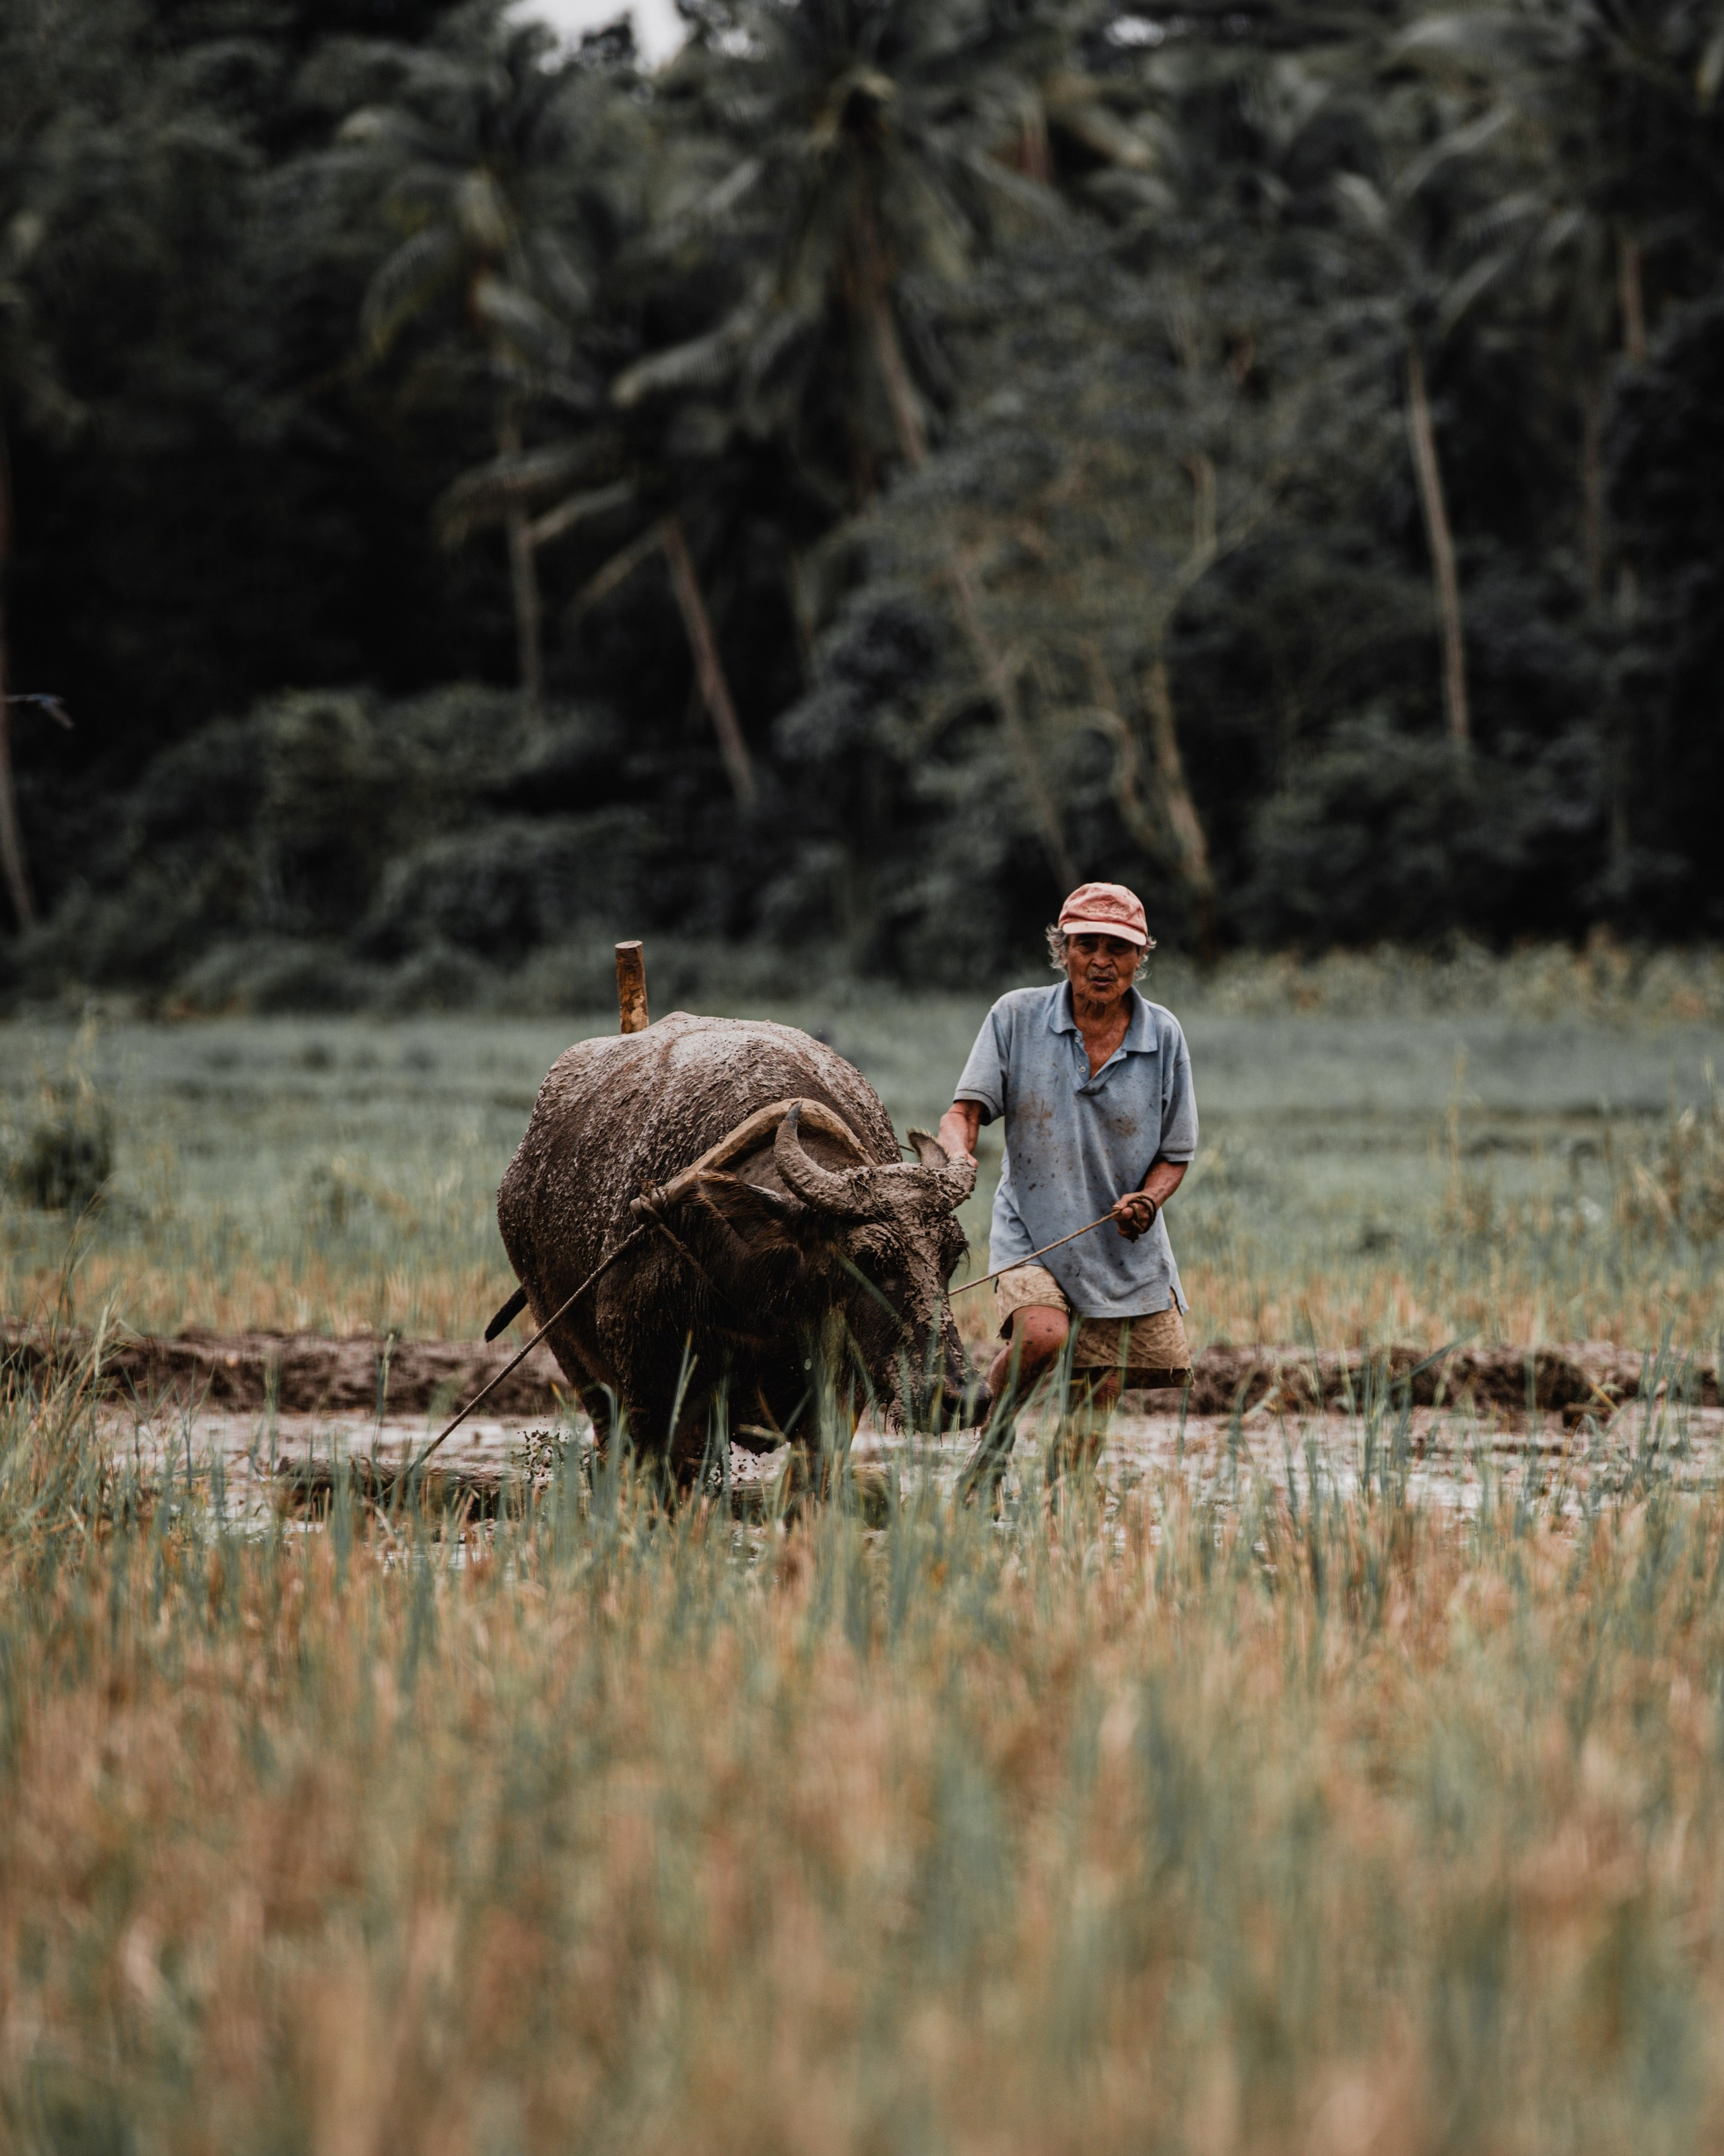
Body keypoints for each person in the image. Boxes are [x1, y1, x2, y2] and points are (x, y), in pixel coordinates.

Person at [937, 881, 1197, 1497]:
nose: (1101, 960)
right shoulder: (1016, 1016)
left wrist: (1149, 1201)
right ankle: (991, 1450)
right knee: (1044, 1334)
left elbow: (1175, 1155)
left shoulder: (1165, 1036)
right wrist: (956, 1157)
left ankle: (1062, 1511)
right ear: (1064, 950)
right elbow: (963, 1112)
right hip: (1033, 1224)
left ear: (1141, 957)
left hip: (1119, 1243)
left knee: (1099, 1393)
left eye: (1118, 948)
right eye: (1086, 944)